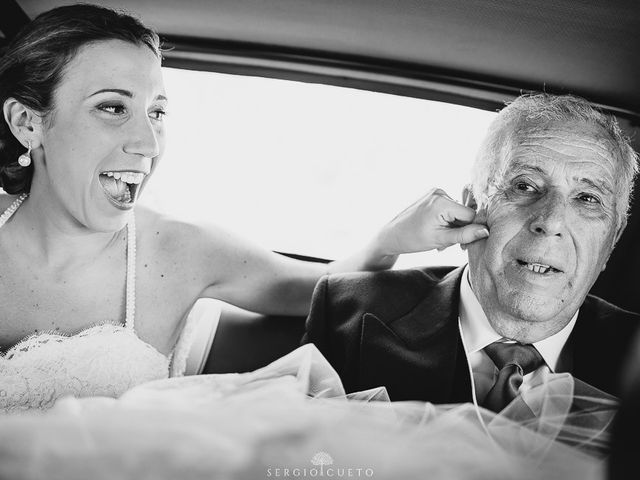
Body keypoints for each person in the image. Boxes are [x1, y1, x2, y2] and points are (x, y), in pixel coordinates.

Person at [0, 4, 489, 412]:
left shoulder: (182, 250)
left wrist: (390, 241)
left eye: (157, 112)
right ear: (27, 122)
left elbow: (327, 288)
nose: (147, 142)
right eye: (112, 107)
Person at [303, 93, 640, 407]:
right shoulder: (346, 312)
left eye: (587, 198)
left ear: (612, 239)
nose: (550, 222)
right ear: (473, 205)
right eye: (524, 186)